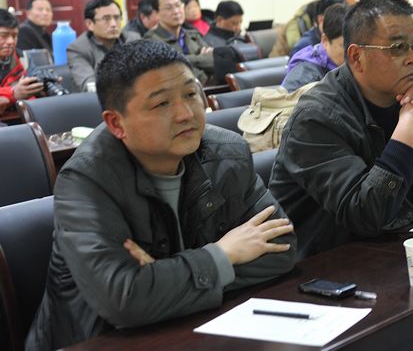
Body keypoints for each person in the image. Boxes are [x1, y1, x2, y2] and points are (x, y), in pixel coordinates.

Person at [26, 40, 297, 349]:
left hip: (195, 329)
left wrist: (160, 279)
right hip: (99, 341)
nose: (185, 113)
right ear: (116, 123)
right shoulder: (86, 180)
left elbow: (282, 249)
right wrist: (223, 255)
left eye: (191, 94)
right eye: (161, 104)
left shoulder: (227, 152)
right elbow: (125, 300)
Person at [270, 0, 413, 258]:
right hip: (326, 263)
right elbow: (366, 217)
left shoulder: (409, 100)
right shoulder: (315, 118)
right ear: (356, 57)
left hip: (395, 247)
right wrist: (407, 133)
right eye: (398, 48)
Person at [144, 0, 215, 84]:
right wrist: (200, 58)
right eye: (169, 8)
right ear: (157, 13)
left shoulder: (193, 35)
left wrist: (181, 60)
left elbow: (213, 60)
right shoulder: (151, 41)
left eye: (178, 5)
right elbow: (170, 70)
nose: (176, 11)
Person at [281, 3, 346, 92]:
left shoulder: (345, 69)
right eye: (345, 46)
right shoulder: (304, 77)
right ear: (325, 40)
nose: (353, 54)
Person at [67, 0, 128, 91]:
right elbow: (89, 85)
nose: (113, 24)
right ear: (89, 24)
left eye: (117, 18)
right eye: (106, 19)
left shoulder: (132, 39)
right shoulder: (78, 49)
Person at [0, 9, 44, 112]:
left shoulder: (23, 58)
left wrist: (41, 88)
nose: (11, 41)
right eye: (4, 36)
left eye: (14, 36)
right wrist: (13, 93)